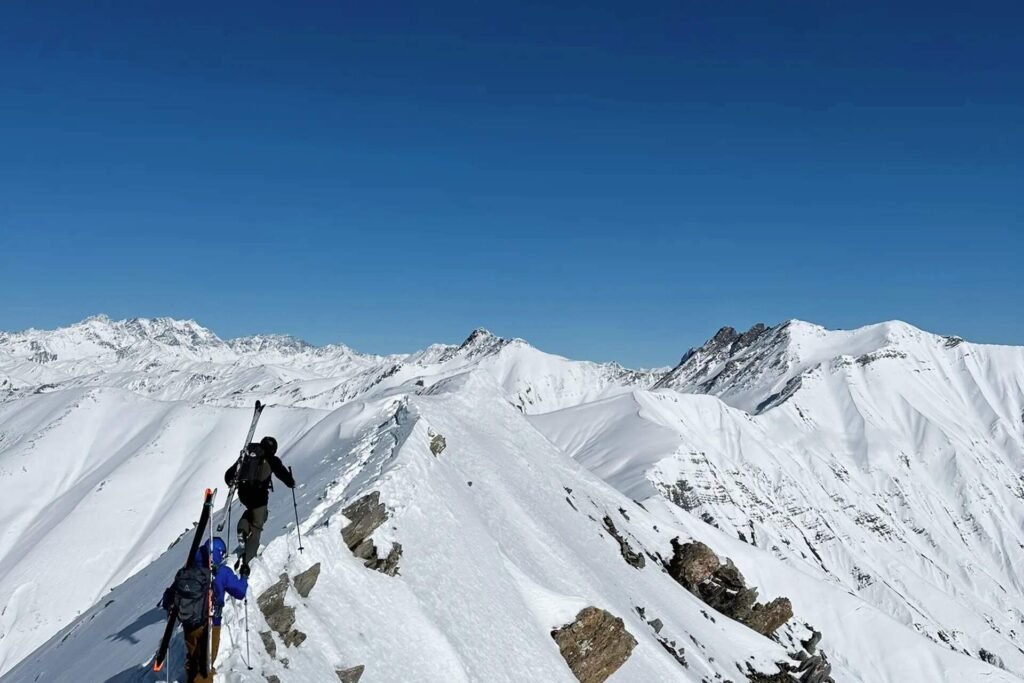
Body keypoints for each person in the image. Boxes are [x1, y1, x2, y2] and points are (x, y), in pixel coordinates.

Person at [162, 537, 247, 683]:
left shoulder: (188, 570)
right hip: (211, 623)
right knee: (205, 666)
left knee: (193, 659)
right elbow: (240, 592)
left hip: (189, 622)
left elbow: (171, 594)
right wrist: (244, 576)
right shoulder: (222, 572)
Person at [224, 436, 295, 574]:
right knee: (257, 527)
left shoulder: (248, 455)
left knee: (252, 512)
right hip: (259, 496)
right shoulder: (270, 458)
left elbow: (229, 475)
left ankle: (242, 528)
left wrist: (232, 482)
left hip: (244, 494)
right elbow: (281, 473)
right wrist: (291, 482)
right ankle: (248, 562)